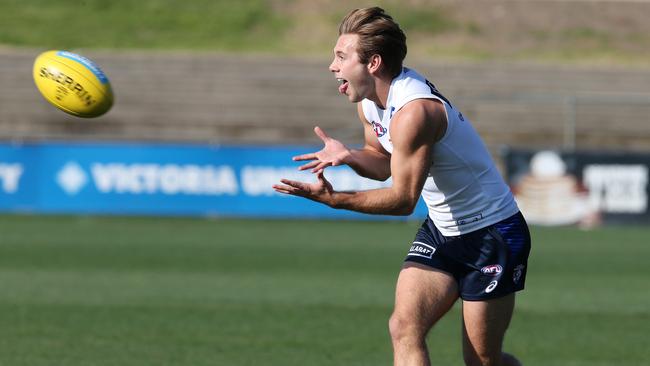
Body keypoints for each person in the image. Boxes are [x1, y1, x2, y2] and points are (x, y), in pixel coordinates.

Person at [273, 7, 531, 366]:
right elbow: (381, 164)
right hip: (443, 230)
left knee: (482, 361)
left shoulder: (415, 113)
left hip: (493, 234)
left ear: (373, 63)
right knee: (403, 327)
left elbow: (403, 200)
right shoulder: (369, 103)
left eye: (341, 57)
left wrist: (334, 200)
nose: (332, 66)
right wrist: (349, 155)